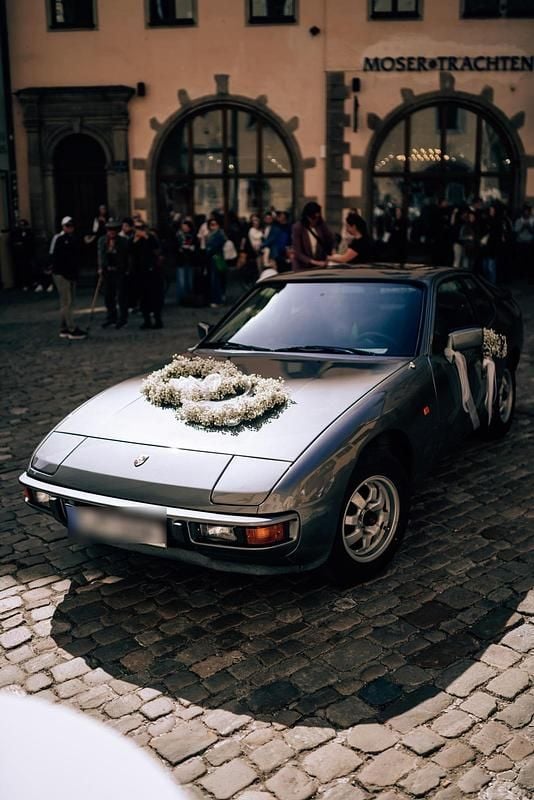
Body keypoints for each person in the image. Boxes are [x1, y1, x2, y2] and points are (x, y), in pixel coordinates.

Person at [49, 216, 87, 339]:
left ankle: (64, 327)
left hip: (70, 274)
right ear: (63, 227)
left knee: (67, 302)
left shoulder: (73, 238)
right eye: (67, 226)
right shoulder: (59, 238)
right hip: (62, 273)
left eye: (71, 226)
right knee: (67, 302)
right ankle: (71, 329)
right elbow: (55, 256)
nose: (70, 228)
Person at [97, 218, 131, 328]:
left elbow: (128, 256)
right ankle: (111, 317)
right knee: (108, 296)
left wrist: (127, 269)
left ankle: (123, 318)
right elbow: (100, 255)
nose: (111, 232)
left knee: (121, 296)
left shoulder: (123, 241)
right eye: (109, 230)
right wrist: (100, 267)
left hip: (119, 271)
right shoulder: (102, 240)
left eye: (113, 230)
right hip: (107, 271)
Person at [131, 220, 163, 329]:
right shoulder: (133, 239)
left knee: (154, 297)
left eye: (141, 228)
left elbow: (157, 250)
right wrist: (135, 240)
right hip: (139, 272)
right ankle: (146, 320)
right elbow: (130, 251)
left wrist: (146, 237)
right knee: (143, 298)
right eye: (136, 228)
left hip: (152, 271)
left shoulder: (151, 237)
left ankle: (158, 320)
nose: (139, 230)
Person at [291, 202, 335, 271]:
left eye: (317, 217)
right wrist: (315, 262)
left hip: (318, 267)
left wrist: (332, 251)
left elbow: (330, 239)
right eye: (313, 218)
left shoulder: (321, 225)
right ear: (307, 216)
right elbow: (298, 252)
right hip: (302, 267)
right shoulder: (298, 227)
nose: (315, 220)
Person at [205, 216, 227, 308]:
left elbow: (214, 247)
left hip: (216, 258)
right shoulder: (212, 234)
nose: (213, 226)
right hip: (214, 258)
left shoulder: (218, 234)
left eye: (215, 224)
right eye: (211, 224)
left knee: (216, 280)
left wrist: (208, 250)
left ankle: (217, 300)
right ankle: (218, 298)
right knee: (216, 279)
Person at [9, 218, 35, 291]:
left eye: (23, 225)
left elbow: (31, 242)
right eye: (21, 225)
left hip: (27, 254)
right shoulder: (16, 233)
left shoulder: (29, 232)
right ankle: (22, 284)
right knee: (20, 269)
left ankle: (29, 283)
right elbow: (12, 242)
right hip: (19, 255)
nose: (22, 227)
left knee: (28, 269)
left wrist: (24, 244)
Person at [175, 218, 196, 304]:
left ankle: (189, 298)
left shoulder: (192, 236)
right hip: (181, 260)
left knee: (189, 280)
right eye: (183, 227)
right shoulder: (178, 235)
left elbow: (195, 246)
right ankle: (182, 298)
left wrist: (191, 248)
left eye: (186, 227)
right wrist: (180, 248)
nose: (185, 228)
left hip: (190, 260)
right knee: (181, 281)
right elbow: (174, 247)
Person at [513, 204, 534, 281]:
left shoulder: (532, 220)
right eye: (525, 211)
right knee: (520, 260)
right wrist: (523, 226)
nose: (526, 213)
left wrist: (529, 227)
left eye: (528, 211)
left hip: (529, 243)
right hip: (520, 243)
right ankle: (520, 275)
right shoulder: (519, 220)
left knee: (529, 260)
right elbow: (516, 232)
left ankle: (529, 275)